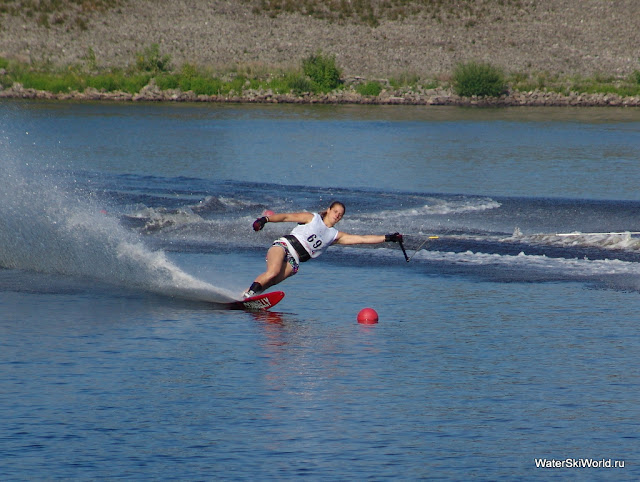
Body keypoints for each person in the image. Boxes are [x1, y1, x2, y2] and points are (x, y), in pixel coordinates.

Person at [243, 201, 403, 298]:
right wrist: (265, 219)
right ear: (328, 210)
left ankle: (245, 296)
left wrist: (388, 237)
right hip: (284, 246)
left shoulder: (335, 236)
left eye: (340, 215)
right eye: (335, 212)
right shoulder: (313, 218)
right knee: (273, 272)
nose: (337, 216)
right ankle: (248, 295)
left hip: (295, 260)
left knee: (271, 282)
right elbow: (286, 217)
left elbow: (362, 239)